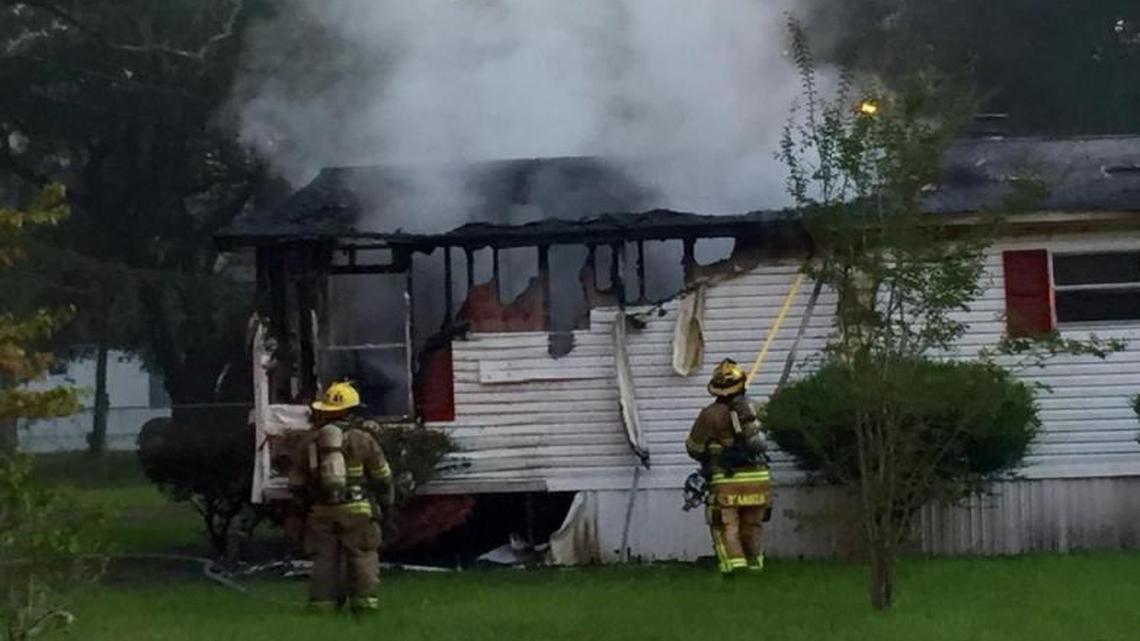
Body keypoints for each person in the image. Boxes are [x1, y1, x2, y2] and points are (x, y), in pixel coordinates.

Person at [288, 380, 394, 613]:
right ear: (351, 410)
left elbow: (296, 485)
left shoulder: (308, 442)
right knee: (362, 556)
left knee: (324, 560)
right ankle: (364, 607)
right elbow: (383, 477)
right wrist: (387, 507)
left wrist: (302, 513)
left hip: (321, 512)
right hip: (358, 511)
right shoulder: (363, 440)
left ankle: (322, 607)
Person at [685, 359, 772, 576]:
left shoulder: (709, 415)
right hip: (759, 479)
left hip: (726, 480)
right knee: (753, 525)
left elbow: (694, 447)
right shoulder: (756, 408)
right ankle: (755, 568)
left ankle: (733, 569)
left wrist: (712, 450)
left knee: (725, 526)